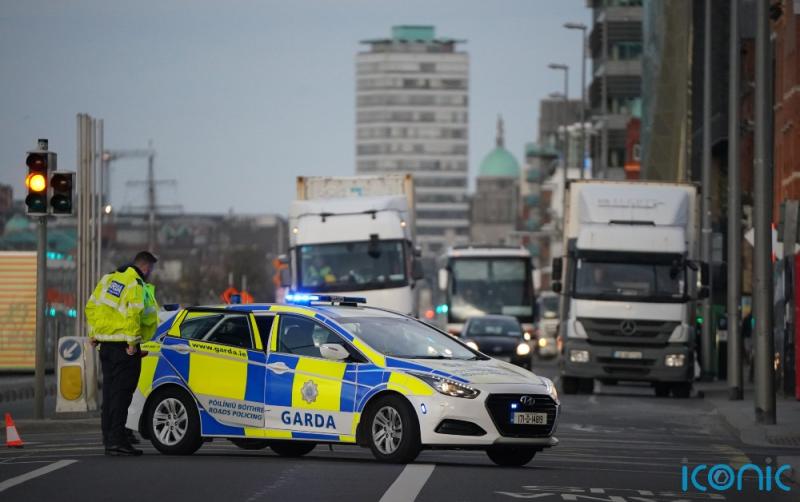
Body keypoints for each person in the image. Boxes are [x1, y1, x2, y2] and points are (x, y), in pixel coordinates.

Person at [86, 251, 158, 456]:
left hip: (106, 346)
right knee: (122, 395)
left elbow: (91, 307)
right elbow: (133, 315)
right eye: (151, 269)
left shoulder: (108, 280)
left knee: (109, 394)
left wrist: (94, 334)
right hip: (124, 348)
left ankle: (109, 439)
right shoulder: (134, 283)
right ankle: (118, 441)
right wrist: (133, 343)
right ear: (146, 268)